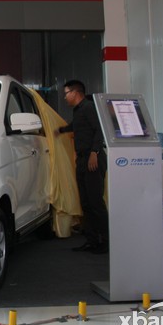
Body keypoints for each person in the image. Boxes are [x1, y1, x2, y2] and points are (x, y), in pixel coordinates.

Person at [57, 80, 109, 254]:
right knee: (85, 202)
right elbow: (76, 126)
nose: (65, 97)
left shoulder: (89, 107)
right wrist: (59, 130)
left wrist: (95, 152)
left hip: (93, 159)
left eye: (66, 93)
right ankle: (92, 240)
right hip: (82, 160)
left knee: (95, 202)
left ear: (75, 92)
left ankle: (105, 241)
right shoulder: (78, 111)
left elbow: (99, 130)